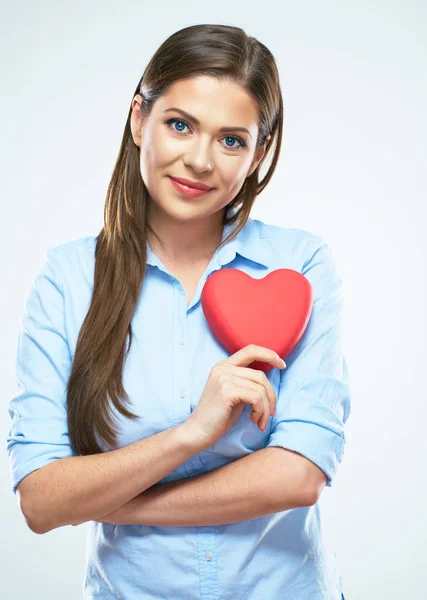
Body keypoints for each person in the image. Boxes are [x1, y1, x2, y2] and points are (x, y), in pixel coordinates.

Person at [6, 23, 350, 600]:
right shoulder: (68, 280)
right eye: (180, 125)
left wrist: (120, 504)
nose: (199, 160)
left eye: (232, 140)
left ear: (258, 154)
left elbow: (299, 474)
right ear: (139, 119)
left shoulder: (300, 265)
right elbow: (42, 500)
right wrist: (190, 434)